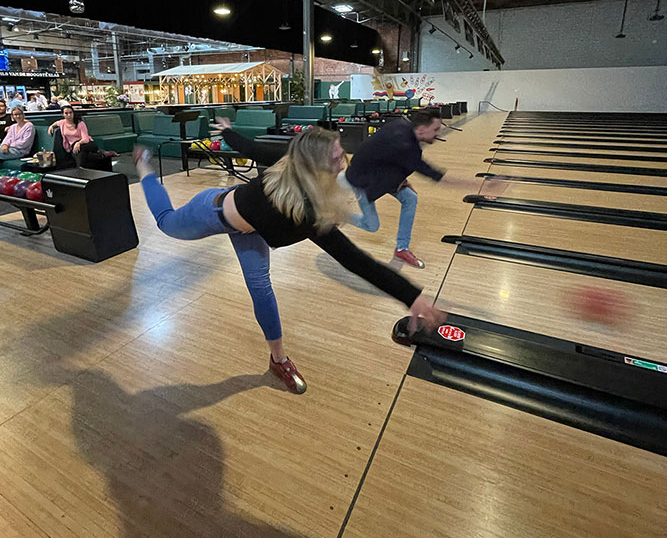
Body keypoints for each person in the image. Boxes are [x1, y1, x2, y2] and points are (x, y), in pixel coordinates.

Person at [134, 127, 443, 396]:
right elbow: (355, 260)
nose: (343, 162)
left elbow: (253, 149)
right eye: (336, 159)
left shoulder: (297, 164)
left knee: (262, 289)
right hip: (211, 214)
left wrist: (227, 131)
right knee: (165, 221)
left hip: (248, 224)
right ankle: (145, 168)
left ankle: (278, 360)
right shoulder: (300, 210)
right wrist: (410, 296)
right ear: (313, 165)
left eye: (341, 153)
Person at [342, 107, 485, 268]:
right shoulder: (407, 146)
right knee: (372, 226)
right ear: (422, 129)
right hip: (361, 181)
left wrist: (400, 179)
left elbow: (387, 156)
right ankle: (340, 215)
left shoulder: (401, 127)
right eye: (436, 129)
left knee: (410, 197)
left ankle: (402, 248)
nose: (438, 133)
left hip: (378, 174)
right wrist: (481, 185)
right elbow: (438, 176)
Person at [47, 105, 112, 167]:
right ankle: (101, 155)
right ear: (63, 114)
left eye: (70, 113)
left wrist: (78, 143)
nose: (69, 115)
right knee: (81, 154)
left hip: (87, 144)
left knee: (79, 150)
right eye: (66, 113)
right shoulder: (62, 123)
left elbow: (86, 139)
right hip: (73, 146)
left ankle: (80, 168)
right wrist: (51, 126)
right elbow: (56, 123)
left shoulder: (80, 123)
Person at [0, 106, 35, 174]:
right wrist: (5, 144)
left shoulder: (29, 126)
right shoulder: (13, 126)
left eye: (19, 114)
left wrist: (8, 145)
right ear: (12, 116)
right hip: (8, 149)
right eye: (15, 115)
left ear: (23, 115)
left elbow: (25, 143)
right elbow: (7, 138)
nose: (18, 116)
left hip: (19, 152)